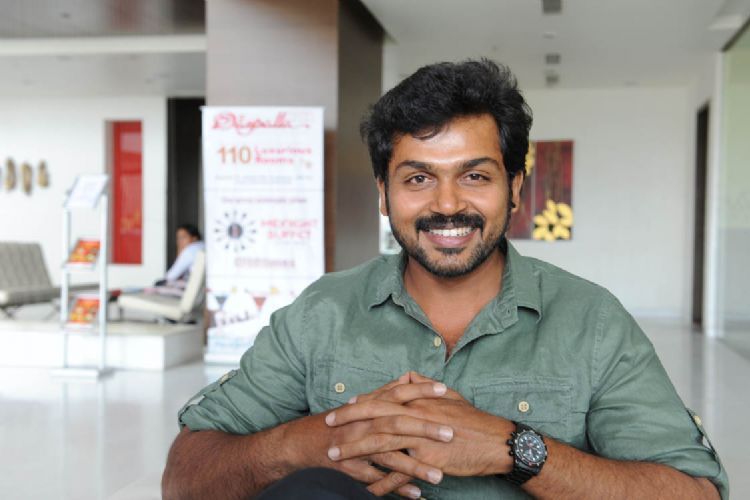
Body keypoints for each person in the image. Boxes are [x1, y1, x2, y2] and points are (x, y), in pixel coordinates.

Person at [162, 60, 728, 499]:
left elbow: (694, 491)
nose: (448, 204)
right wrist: (305, 443)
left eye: (475, 176)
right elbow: (185, 477)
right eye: (418, 178)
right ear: (383, 194)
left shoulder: (592, 321)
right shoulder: (322, 312)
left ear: (514, 187)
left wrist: (516, 449)